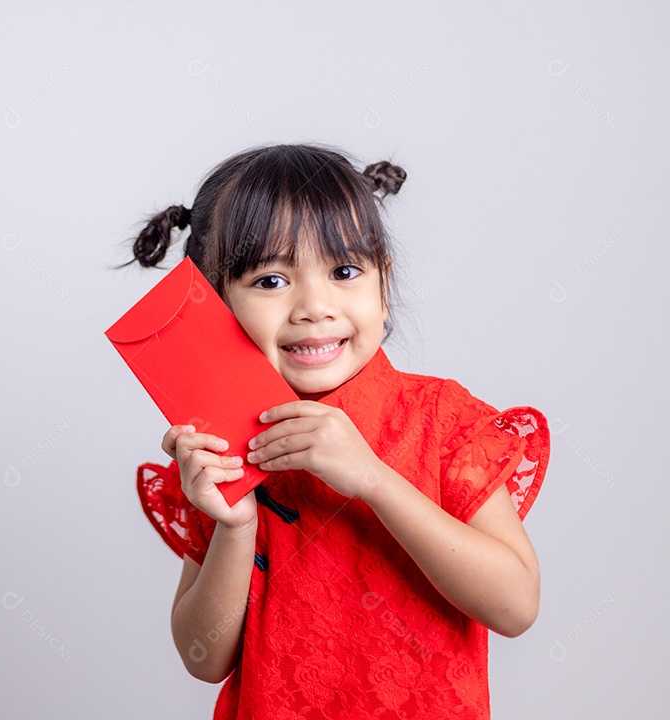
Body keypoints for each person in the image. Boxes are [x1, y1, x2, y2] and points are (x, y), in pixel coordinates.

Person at [116, 143, 550, 719]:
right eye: (270, 281)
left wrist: (373, 478)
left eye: (344, 272)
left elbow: (515, 606)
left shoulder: (442, 419)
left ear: (383, 283)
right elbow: (203, 657)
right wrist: (235, 523)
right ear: (215, 304)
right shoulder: (219, 448)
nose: (314, 307)